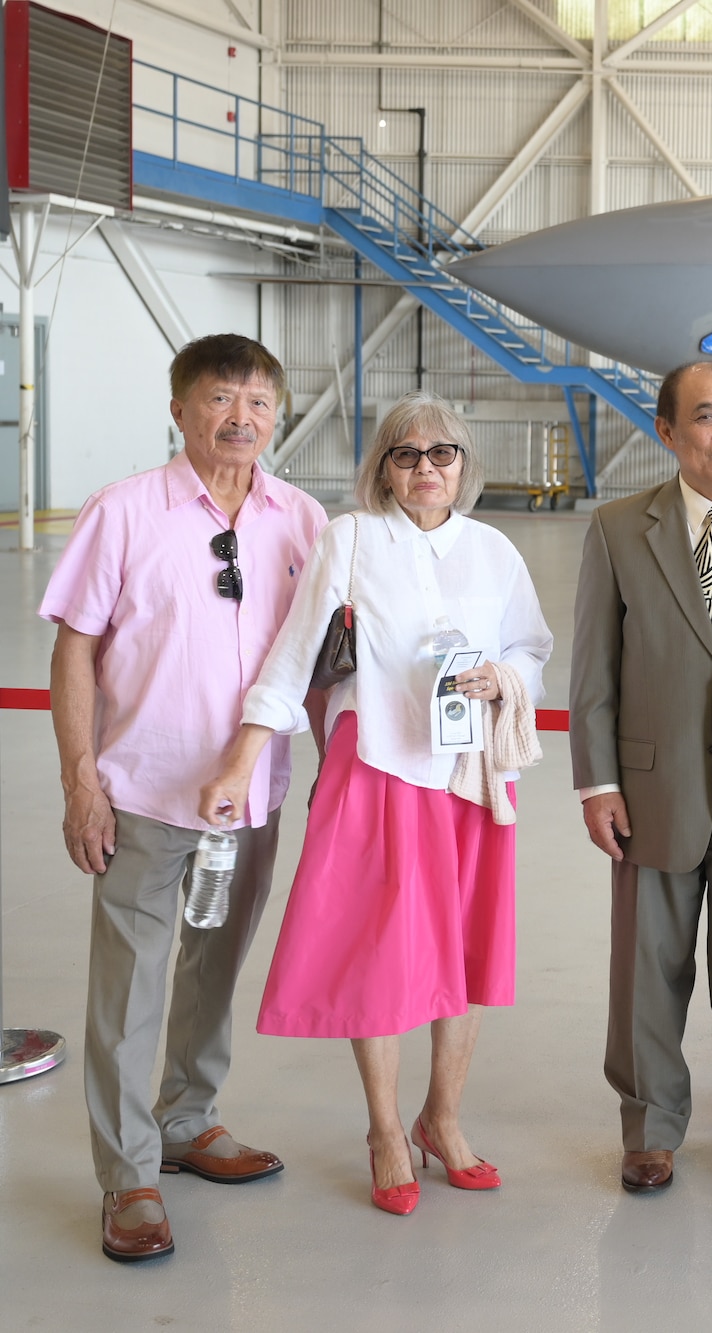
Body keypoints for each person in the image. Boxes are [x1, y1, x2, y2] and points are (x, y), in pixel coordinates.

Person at [199, 392, 553, 1216]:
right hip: (379, 769)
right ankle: (387, 1129)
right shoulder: (350, 538)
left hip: (467, 777)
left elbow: (529, 645)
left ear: (464, 464)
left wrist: (506, 678)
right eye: (407, 454)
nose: (427, 468)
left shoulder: (494, 550)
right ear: (384, 468)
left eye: (443, 453)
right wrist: (241, 760)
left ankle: (445, 1118)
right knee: (384, 956)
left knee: (464, 957)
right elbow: (292, 659)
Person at [41, 334, 324, 1263]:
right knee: (130, 987)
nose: (240, 417)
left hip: (252, 798)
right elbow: (75, 648)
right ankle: (128, 1176)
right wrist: (81, 780)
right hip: (144, 792)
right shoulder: (124, 512)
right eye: (219, 399)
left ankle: (189, 1119)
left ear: (277, 416)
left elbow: (321, 660)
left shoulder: (301, 520)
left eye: (257, 401)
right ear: (180, 410)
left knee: (215, 966)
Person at [570, 363, 712, 1195]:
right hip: (652, 790)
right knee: (647, 974)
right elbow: (595, 669)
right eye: (706, 417)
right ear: (668, 432)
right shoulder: (619, 527)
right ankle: (650, 1127)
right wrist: (598, 782)